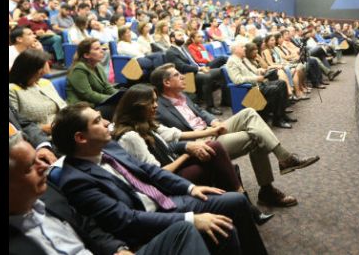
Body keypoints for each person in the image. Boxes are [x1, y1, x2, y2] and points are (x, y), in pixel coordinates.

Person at [50, 103, 268, 253]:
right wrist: (191, 219)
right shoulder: (76, 180)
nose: (107, 122)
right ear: (80, 137)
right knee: (224, 229)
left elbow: (151, 171)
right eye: (97, 121)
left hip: (167, 202)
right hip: (146, 223)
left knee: (236, 201)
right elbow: (127, 219)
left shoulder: (109, 147)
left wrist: (190, 188)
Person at [10, 133, 211, 255]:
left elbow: (86, 224)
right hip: (143, 214)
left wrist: (116, 249)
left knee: (184, 230)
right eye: (29, 167)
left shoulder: (49, 195)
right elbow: (124, 218)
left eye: (38, 159)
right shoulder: (74, 179)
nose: (44, 167)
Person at [151, 63, 319, 208]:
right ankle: (268, 189)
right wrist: (208, 132)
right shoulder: (157, 109)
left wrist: (215, 121)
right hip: (200, 143)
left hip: (212, 130)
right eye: (176, 75)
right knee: (257, 137)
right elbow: (169, 140)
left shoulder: (183, 95)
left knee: (249, 113)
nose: (182, 76)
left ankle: (284, 158)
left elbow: (201, 111)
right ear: (166, 82)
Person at [111, 84, 273, 225]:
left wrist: (206, 135)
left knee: (212, 148)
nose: (155, 105)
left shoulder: (146, 122)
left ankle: (243, 204)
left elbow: (174, 134)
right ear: (136, 105)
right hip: (163, 184)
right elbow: (158, 174)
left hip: (173, 164)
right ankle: (245, 204)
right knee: (215, 155)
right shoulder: (130, 136)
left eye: (155, 101)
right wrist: (188, 153)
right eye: (150, 102)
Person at [165, 30, 226, 115]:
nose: (182, 36)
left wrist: (205, 64)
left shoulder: (187, 47)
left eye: (182, 35)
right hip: (186, 74)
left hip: (199, 67)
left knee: (221, 71)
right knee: (207, 77)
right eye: (179, 35)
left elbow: (204, 57)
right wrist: (199, 68)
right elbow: (182, 67)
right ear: (172, 39)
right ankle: (210, 107)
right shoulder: (171, 52)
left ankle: (225, 100)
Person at [9, 49, 67, 134]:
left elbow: (62, 105)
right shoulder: (12, 89)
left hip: (62, 129)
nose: (44, 71)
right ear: (30, 69)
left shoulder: (45, 82)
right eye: (42, 67)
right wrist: (41, 128)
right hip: (39, 136)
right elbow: (15, 124)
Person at [66, 38, 118, 105]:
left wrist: (121, 96)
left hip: (97, 103)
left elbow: (107, 88)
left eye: (101, 47)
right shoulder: (78, 69)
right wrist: (113, 99)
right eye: (97, 49)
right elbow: (89, 95)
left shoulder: (98, 66)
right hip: (83, 108)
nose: (102, 51)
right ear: (86, 55)